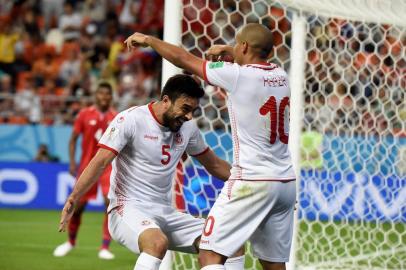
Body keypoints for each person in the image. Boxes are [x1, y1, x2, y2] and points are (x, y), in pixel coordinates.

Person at [124, 23, 297, 270]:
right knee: (274, 265)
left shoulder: (236, 75)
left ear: (245, 46)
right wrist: (230, 49)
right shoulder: (281, 75)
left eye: (238, 43)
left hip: (252, 180)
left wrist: (149, 39)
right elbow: (253, 56)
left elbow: (183, 58)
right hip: (285, 183)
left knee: (210, 253)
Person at [58, 75, 245, 270]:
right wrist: (74, 197)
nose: (189, 116)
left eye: (193, 111)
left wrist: (251, 180)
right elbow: (100, 162)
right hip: (127, 208)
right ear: (166, 101)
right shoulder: (130, 120)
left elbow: (214, 164)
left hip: (165, 212)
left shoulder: (188, 127)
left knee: (228, 243)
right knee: (156, 243)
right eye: (185, 109)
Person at [54, 82, 117, 260]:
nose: (104, 97)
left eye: (107, 94)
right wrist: (73, 162)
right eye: (101, 94)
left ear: (111, 97)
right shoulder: (84, 114)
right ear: (96, 95)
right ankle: (70, 242)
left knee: (108, 203)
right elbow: (73, 139)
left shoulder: (116, 116)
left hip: (107, 167)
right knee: (78, 206)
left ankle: (105, 246)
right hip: (87, 166)